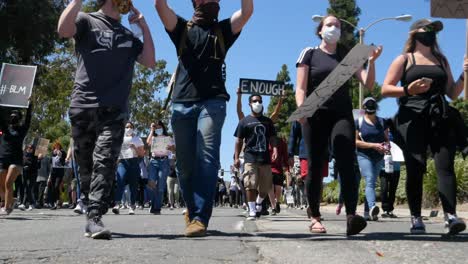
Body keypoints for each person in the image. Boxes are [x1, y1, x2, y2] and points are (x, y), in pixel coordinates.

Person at [57, 0, 156, 239]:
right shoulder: (85, 19)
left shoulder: (127, 35)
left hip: (113, 111)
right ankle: (90, 205)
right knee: (86, 168)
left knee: (105, 161)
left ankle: (94, 218)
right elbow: (63, 30)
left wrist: (143, 25)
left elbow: (150, 61)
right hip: (83, 107)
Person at [155, 0, 253, 237]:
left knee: (207, 158)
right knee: (185, 165)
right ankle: (192, 209)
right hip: (182, 104)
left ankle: (200, 217)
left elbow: (247, 11)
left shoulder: (222, 31)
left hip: (213, 102)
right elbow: (160, 6)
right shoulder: (181, 28)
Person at [295, 15, 382, 235]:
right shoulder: (310, 53)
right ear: (320, 30)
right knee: (315, 165)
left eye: (338, 26)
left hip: (341, 114)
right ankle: (314, 216)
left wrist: (372, 61)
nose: (334, 28)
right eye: (330, 25)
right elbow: (300, 87)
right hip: (315, 113)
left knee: (346, 159)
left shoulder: (348, 55)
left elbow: (369, 84)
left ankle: (352, 216)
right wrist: (302, 110)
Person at [382, 19, 467, 235]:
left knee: (445, 166)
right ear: (414, 33)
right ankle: (416, 217)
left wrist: (464, 74)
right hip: (412, 117)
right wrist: (408, 90)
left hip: (440, 115)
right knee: (416, 167)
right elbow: (385, 89)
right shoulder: (405, 59)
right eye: (427, 29)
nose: (431, 33)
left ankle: (451, 216)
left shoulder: (441, 60)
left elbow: (453, 92)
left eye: (434, 30)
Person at [234, 94, 278, 221]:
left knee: (265, 187)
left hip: (265, 159)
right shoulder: (244, 122)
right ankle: (252, 210)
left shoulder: (268, 121)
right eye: (254, 101)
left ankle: (259, 202)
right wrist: (236, 158)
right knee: (250, 184)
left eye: (259, 101)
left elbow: (273, 138)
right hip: (250, 158)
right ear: (250, 104)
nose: (257, 103)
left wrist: (274, 148)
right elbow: (239, 141)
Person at [355, 97, 390, 221]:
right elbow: (355, 142)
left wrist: (385, 147)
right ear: (364, 108)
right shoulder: (358, 122)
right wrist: (373, 145)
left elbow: (387, 140)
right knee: (370, 180)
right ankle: (372, 206)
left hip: (378, 157)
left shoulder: (382, 122)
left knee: (372, 184)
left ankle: (367, 212)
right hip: (364, 155)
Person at [0, 105, 33, 215]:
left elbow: (28, 119)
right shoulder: (5, 128)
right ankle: (11, 200)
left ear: (19, 118)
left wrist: (30, 106)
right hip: (3, 159)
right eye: (12, 116)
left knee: (8, 183)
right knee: (2, 184)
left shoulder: (22, 130)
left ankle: (6, 208)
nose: (13, 117)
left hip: (16, 161)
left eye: (15, 116)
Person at [112, 122, 145, 215]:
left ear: (133, 128)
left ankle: (132, 205)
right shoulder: (120, 138)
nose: (129, 128)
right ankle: (117, 204)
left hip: (134, 162)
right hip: (122, 162)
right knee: (120, 181)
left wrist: (135, 147)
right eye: (127, 127)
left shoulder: (137, 139)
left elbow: (142, 154)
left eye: (130, 127)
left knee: (133, 185)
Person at [146, 121, 174, 215]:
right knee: (151, 183)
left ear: (163, 127)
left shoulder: (168, 138)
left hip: (164, 162)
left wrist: (171, 148)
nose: (158, 129)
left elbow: (174, 148)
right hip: (153, 161)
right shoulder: (153, 137)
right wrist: (151, 130)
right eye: (156, 127)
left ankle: (157, 208)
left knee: (161, 186)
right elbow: (147, 142)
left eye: (159, 127)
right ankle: (152, 203)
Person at [268, 135, 289, 215]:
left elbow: (285, 155)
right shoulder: (267, 141)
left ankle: (277, 202)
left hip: (278, 168)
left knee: (278, 187)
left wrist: (286, 167)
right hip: (268, 167)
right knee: (270, 187)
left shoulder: (282, 143)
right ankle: (273, 207)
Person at [20, 144, 38, 211]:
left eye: (31, 148)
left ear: (33, 149)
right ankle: (30, 203)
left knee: (29, 189)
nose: (29, 149)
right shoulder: (23, 155)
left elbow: (37, 166)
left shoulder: (35, 156)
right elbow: (21, 162)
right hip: (25, 173)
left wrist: (39, 160)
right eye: (28, 148)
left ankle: (27, 204)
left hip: (33, 173)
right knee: (26, 188)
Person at [49, 142, 66, 210]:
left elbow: (64, 162)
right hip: (53, 172)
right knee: (53, 187)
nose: (57, 147)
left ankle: (57, 201)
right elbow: (50, 162)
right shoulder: (53, 153)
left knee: (56, 186)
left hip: (60, 172)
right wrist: (53, 154)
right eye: (55, 146)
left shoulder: (63, 152)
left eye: (58, 146)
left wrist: (60, 155)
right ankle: (54, 203)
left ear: (60, 146)